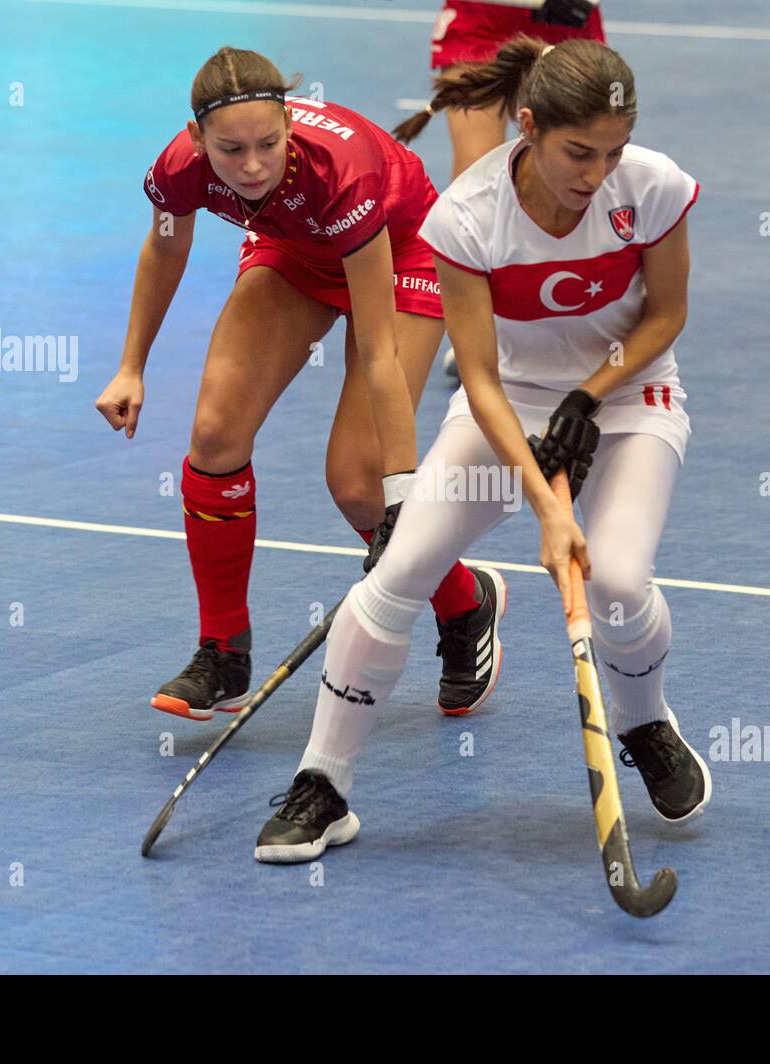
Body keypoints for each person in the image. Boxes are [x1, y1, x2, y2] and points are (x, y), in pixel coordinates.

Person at [255, 37, 710, 864]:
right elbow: (482, 377)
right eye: (579, 152)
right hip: (508, 402)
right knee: (396, 577)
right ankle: (324, 783)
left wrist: (588, 395)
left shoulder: (653, 186)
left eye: (613, 150)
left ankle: (646, 724)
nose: (597, 172)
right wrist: (544, 500)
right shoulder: (466, 216)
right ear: (528, 127)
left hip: (631, 397)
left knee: (613, 579)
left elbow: (665, 316)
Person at [94, 47, 506, 722]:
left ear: (289, 124)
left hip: (399, 253)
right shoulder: (177, 170)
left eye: (267, 144)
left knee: (357, 485)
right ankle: (223, 650)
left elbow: (376, 349)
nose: (251, 165)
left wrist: (400, 492)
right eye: (230, 151)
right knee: (215, 433)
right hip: (293, 247)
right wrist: (131, 365)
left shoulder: (342, 173)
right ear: (198, 140)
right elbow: (166, 246)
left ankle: (464, 603)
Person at [428, 0, 608, 378]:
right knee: (476, 182)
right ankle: (479, 332)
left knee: (575, 167)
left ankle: (570, 309)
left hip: (567, 17)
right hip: (484, 17)